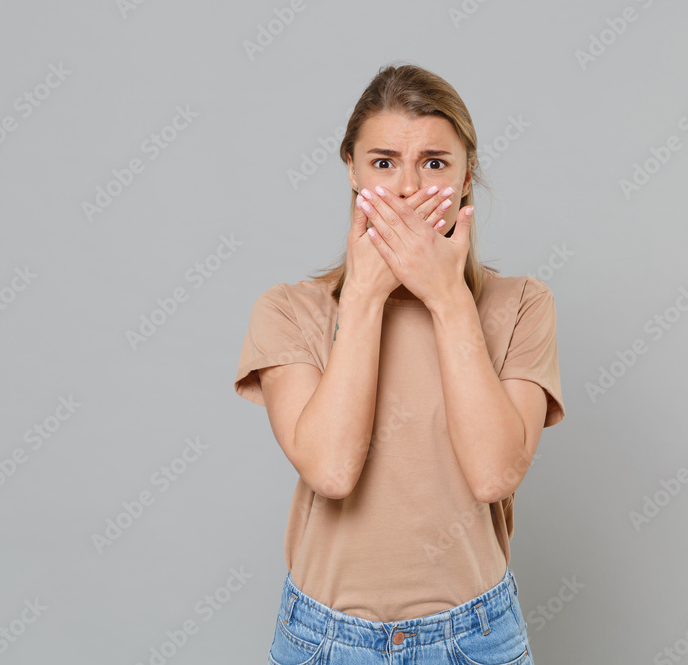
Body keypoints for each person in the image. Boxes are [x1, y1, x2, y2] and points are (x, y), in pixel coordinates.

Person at [235, 63, 565, 664]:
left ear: (467, 178)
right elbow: (331, 471)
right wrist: (362, 296)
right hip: (325, 642)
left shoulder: (521, 304)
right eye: (383, 163)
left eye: (434, 163)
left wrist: (447, 297)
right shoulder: (288, 310)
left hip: (474, 639)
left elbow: (494, 475)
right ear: (353, 173)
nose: (409, 188)